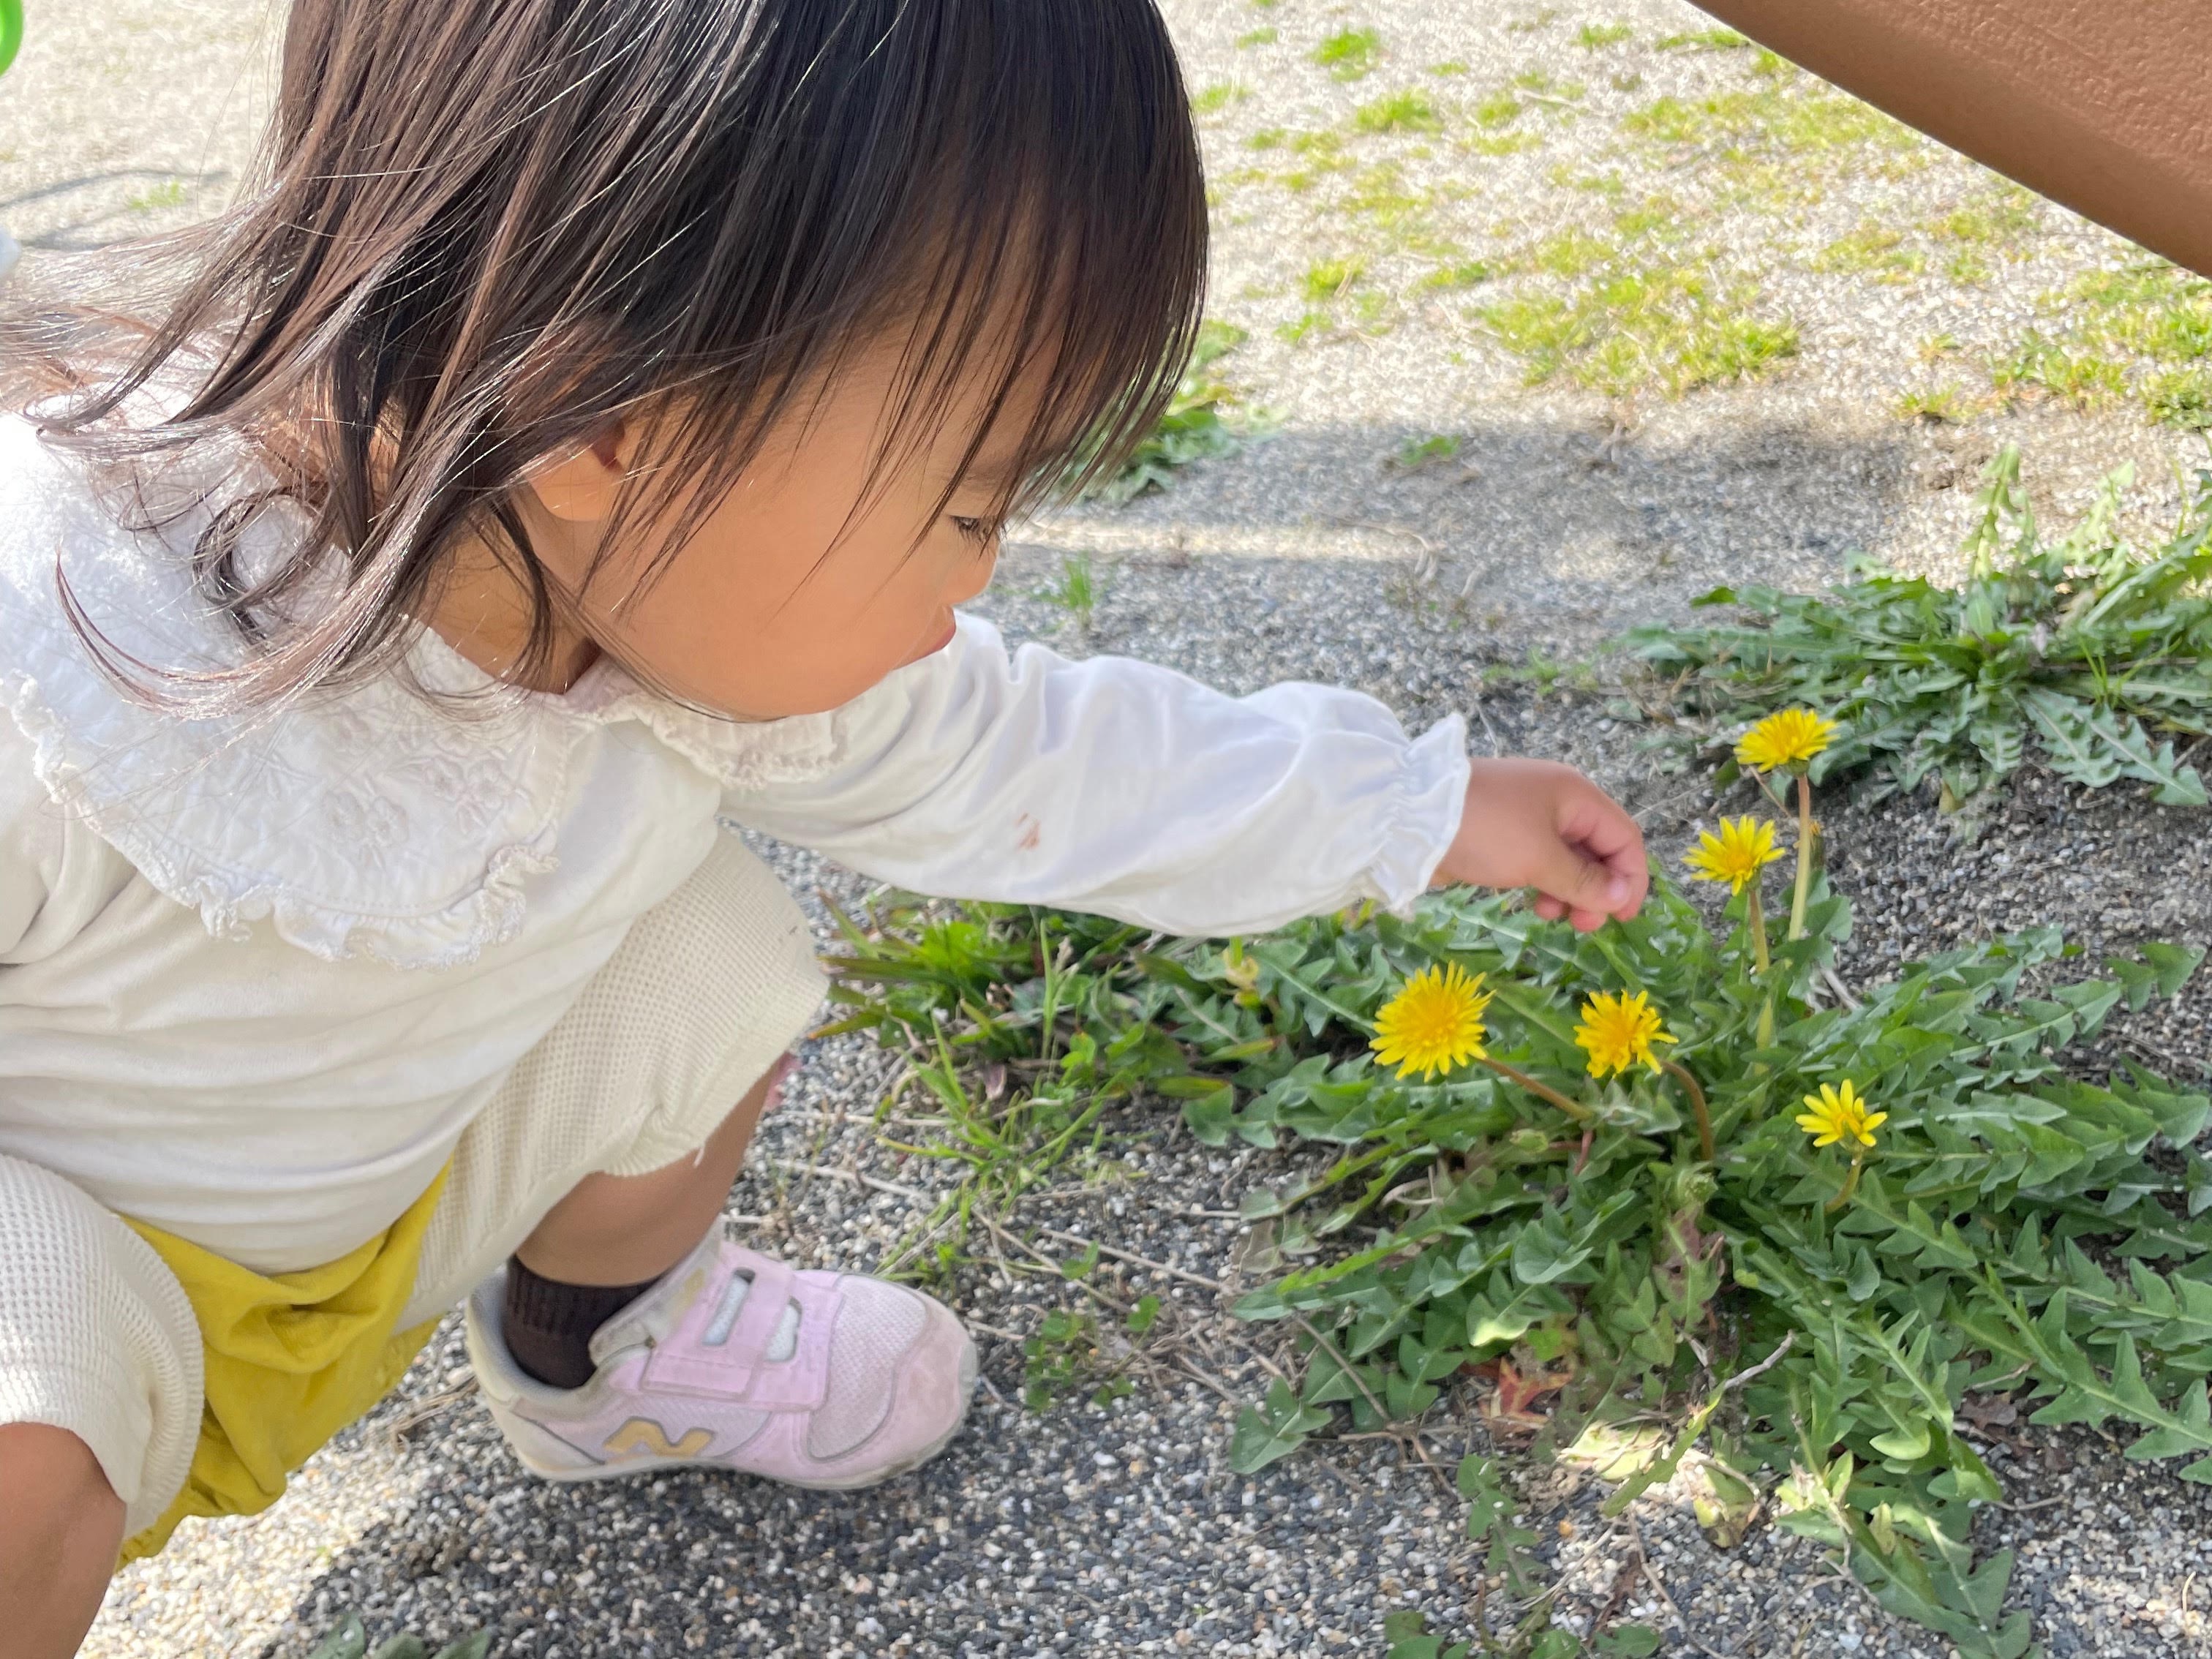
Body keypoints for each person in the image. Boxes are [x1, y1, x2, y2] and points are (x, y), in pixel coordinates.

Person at [0, 1, 1649, 1650]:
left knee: (713, 959)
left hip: (376, 1220)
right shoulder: (66, 642)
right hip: (97, 1319)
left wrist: (1416, 808)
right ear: (608, 417)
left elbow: (1044, 760)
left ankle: (601, 1350)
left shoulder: (662, 599)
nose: (982, 568)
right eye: (970, 498)